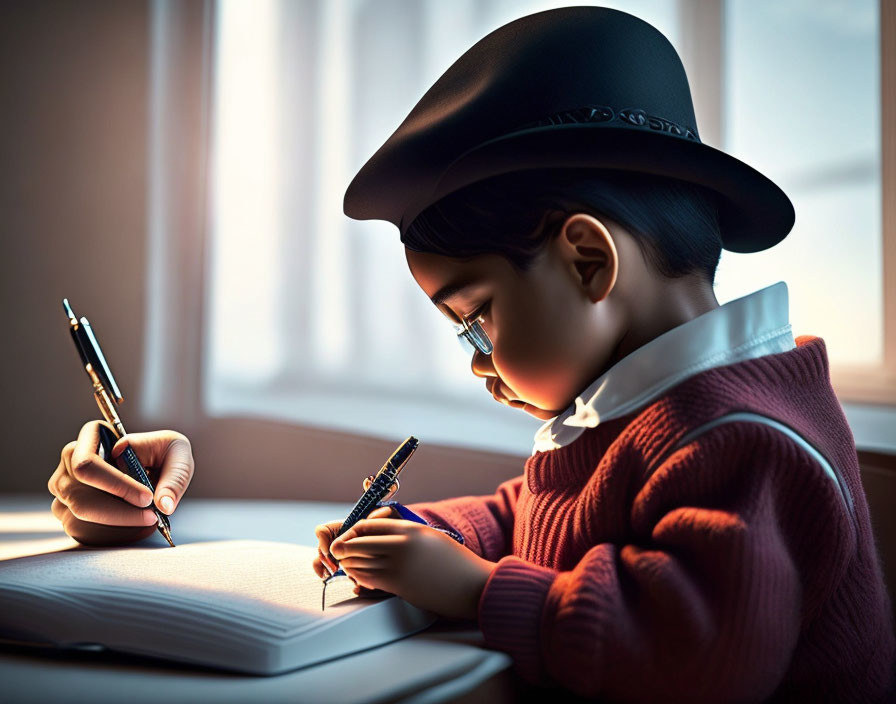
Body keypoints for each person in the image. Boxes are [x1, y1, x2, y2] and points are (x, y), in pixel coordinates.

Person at [48, 6, 894, 702]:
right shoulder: (637, 408)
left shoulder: (743, 437)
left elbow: (696, 657)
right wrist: (417, 534)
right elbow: (532, 518)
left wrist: (474, 589)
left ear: (588, 261)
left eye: (478, 316)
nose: (477, 359)